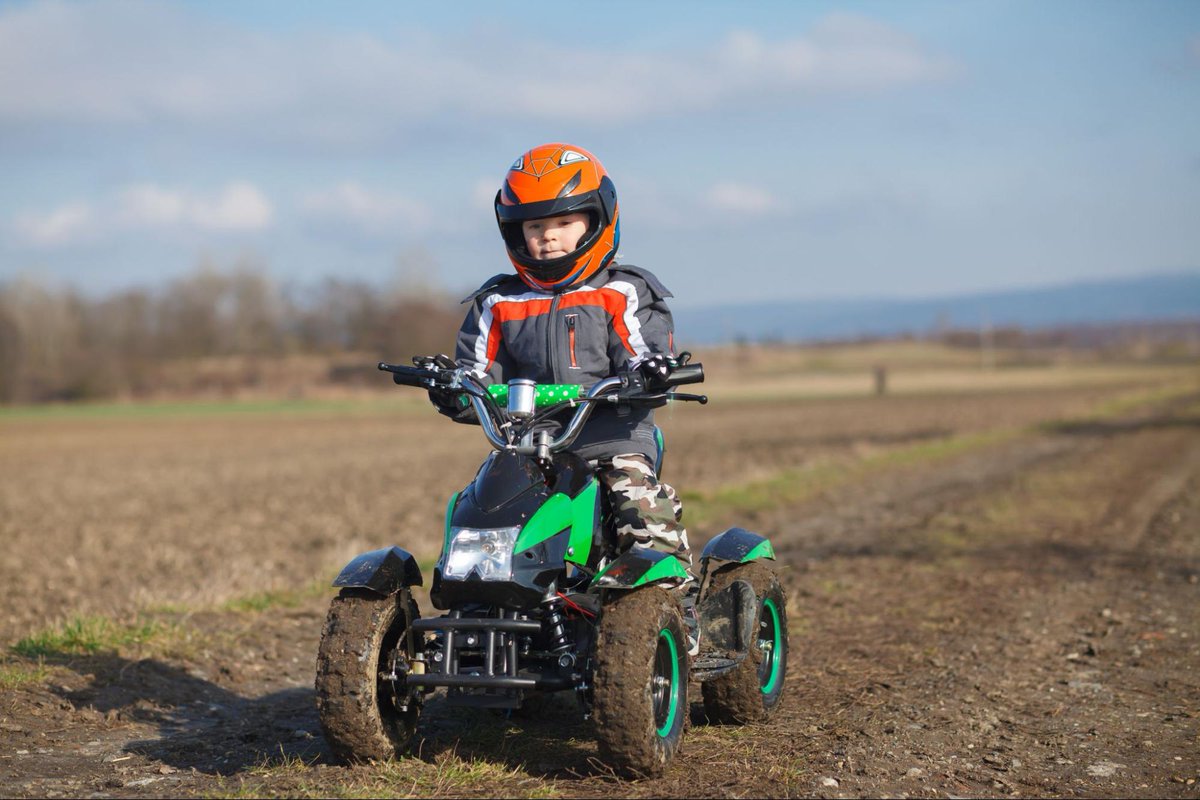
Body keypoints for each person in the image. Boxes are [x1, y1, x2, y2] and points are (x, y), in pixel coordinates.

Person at [431, 142, 700, 653]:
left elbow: (644, 350)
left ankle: (675, 618)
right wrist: (454, 388)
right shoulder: (498, 301)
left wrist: (652, 372)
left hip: (612, 436)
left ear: (598, 221)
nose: (548, 237)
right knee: (483, 510)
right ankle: (483, 612)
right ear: (515, 234)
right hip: (530, 446)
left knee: (638, 509)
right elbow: (473, 372)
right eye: (533, 227)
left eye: (564, 222)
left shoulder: (623, 290)